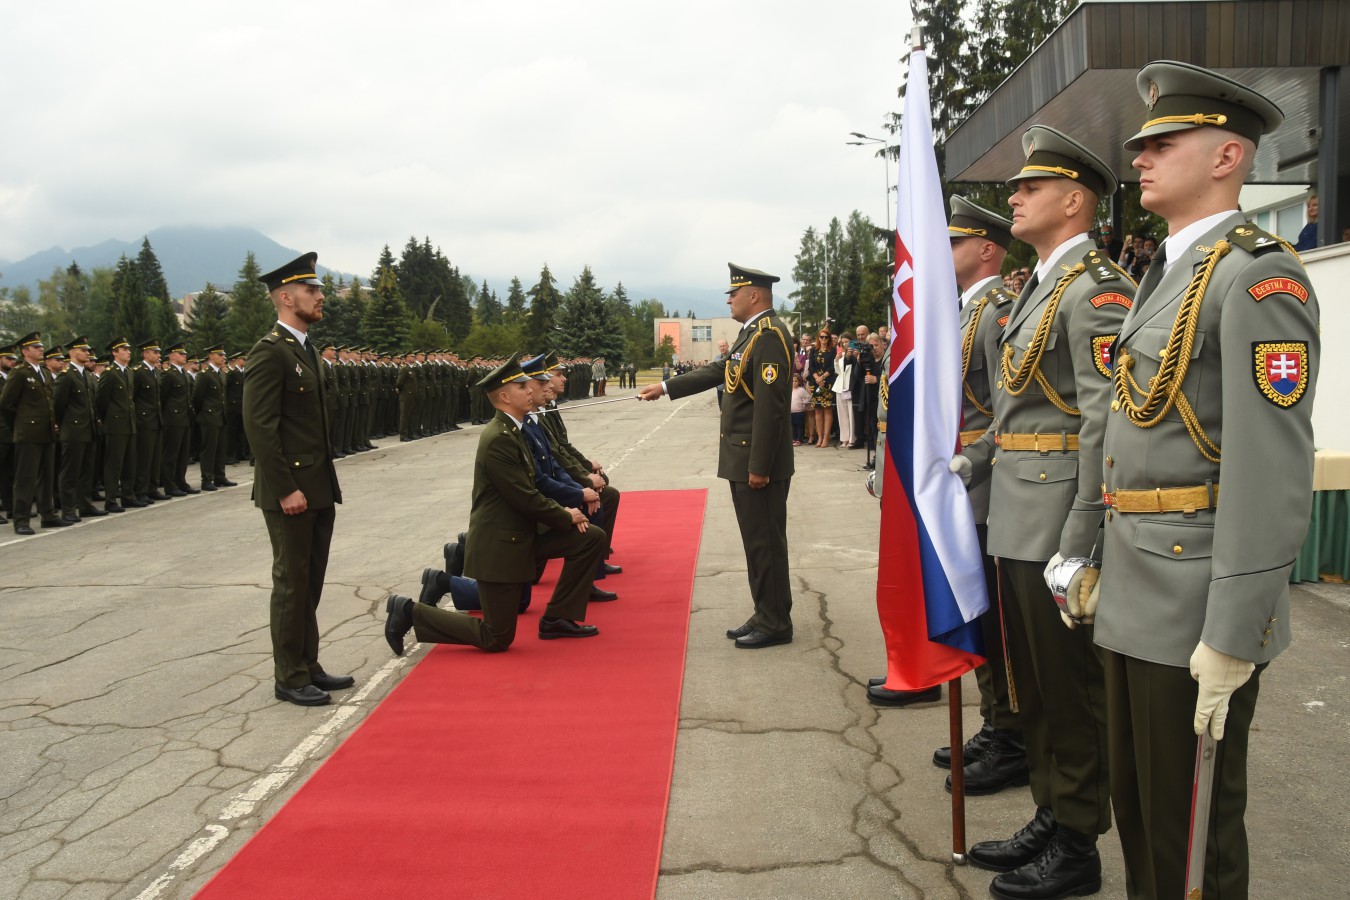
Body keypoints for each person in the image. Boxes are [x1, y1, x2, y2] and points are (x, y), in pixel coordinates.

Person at [1086, 61, 1320, 899]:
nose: (1139, 156)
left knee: (1191, 837)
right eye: (1141, 144)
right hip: (1136, 583)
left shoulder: (1257, 275)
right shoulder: (1168, 271)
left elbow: (1271, 466)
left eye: (1164, 142)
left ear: (1227, 157)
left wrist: (1235, 631)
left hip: (1193, 597)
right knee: (1142, 811)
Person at [952, 125, 1134, 899]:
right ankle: (1054, 813)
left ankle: (1077, 841)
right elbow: (1016, 415)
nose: (1015, 197)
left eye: (1031, 187)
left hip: (1058, 518)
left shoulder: (1096, 289)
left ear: (1073, 201)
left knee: (1071, 692)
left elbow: (1103, 422)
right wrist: (969, 462)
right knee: (1039, 687)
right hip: (1019, 513)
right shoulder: (1039, 286)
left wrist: (1082, 536)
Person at [904, 197, 1028, 796]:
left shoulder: (998, 312)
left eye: (955, 242)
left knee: (993, 620)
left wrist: (966, 466)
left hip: (981, 488)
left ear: (986, 250)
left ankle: (1012, 737)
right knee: (974, 612)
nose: (943, 251)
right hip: (958, 489)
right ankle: (994, 722)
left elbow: (1008, 414)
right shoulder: (961, 312)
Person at [384, 354, 607, 654]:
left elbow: (535, 483)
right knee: (497, 636)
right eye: (521, 387)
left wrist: (568, 509)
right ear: (504, 397)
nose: (530, 390)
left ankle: (558, 617)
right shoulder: (499, 438)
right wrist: (566, 515)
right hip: (500, 547)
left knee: (590, 538)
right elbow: (524, 496)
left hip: (521, 536)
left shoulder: (515, 430)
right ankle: (408, 612)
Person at [640, 263, 795, 649]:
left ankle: (776, 622)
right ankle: (766, 611)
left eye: (734, 293)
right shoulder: (750, 335)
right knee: (755, 542)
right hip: (743, 458)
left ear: (754, 296)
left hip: (756, 462)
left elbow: (770, 409)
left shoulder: (770, 336)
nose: (729, 300)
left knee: (765, 543)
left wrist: (759, 465)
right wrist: (666, 387)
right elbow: (717, 371)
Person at [244, 252, 351, 707]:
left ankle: (307, 663)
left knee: (310, 582)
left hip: (317, 487)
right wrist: (286, 487)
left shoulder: (305, 350)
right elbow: (260, 427)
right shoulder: (270, 353)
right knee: (291, 583)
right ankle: (288, 676)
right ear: (286, 298)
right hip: (291, 491)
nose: (320, 296)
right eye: (311, 290)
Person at [0, 333, 66, 533]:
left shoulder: (44, 372)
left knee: (47, 477)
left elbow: (49, 402)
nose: (40, 349)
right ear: (25, 351)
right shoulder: (19, 373)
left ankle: (48, 515)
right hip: (28, 433)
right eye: (36, 347)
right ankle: (21, 520)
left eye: (41, 347)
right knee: (25, 478)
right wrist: (21, 424)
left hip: (46, 432)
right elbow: (6, 404)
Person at [53, 336, 104, 522]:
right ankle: (68, 509)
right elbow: (58, 404)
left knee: (86, 471)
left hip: (88, 430)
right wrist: (65, 424)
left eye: (87, 350)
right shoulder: (67, 376)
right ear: (73, 352)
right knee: (70, 472)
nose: (87, 353)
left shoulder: (87, 376)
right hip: (73, 430)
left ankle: (85, 505)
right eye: (83, 350)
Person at [95, 337, 138, 512]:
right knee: (114, 464)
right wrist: (109, 420)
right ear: (115, 352)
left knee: (129, 463)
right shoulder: (110, 373)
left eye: (129, 349)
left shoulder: (129, 372)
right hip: (115, 425)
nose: (128, 352)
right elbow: (101, 401)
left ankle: (128, 496)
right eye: (124, 349)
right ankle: (111, 500)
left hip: (129, 424)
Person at [159, 342, 197, 496]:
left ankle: (181, 481)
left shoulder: (183, 373)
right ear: (172, 356)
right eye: (181, 354)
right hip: (173, 419)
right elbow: (162, 398)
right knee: (171, 454)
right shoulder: (168, 374)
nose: (184, 356)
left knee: (183, 454)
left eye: (184, 353)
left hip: (185, 418)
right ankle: (170, 485)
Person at [132, 338, 167, 504]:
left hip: (156, 420)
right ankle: (141, 491)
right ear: (145, 354)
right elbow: (132, 397)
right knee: (144, 458)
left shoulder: (155, 372)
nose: (159, 355)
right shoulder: (139, 372)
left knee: (155, 457)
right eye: (155, 352)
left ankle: (152, 488)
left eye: (159, 352)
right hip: (144, 421)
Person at [807, 329, 836, 448]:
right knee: (817, 410)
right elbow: (811, 367)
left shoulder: (833, 350)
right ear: (818, 338)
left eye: (826, 337)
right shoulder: (813, 350)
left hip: (828, 382)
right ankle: (819, 437)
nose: (824, 339)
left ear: (829, 339)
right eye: (821, 337)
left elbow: (833, 367)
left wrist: (823, 377)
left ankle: (826, 437)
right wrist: (817, 378)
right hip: (815, 382)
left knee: (827, 410)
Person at [790, 374, 809, 445]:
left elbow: (808, 397)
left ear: (799, 382)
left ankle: (799, 439)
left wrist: (803, 403)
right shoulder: (789, 390)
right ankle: (793, 439)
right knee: (793, 426)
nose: (794, 383)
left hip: (799, 412)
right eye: (792, 381)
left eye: (796, 381)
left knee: (799, 426)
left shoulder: (801, 390)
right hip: (791, 412)